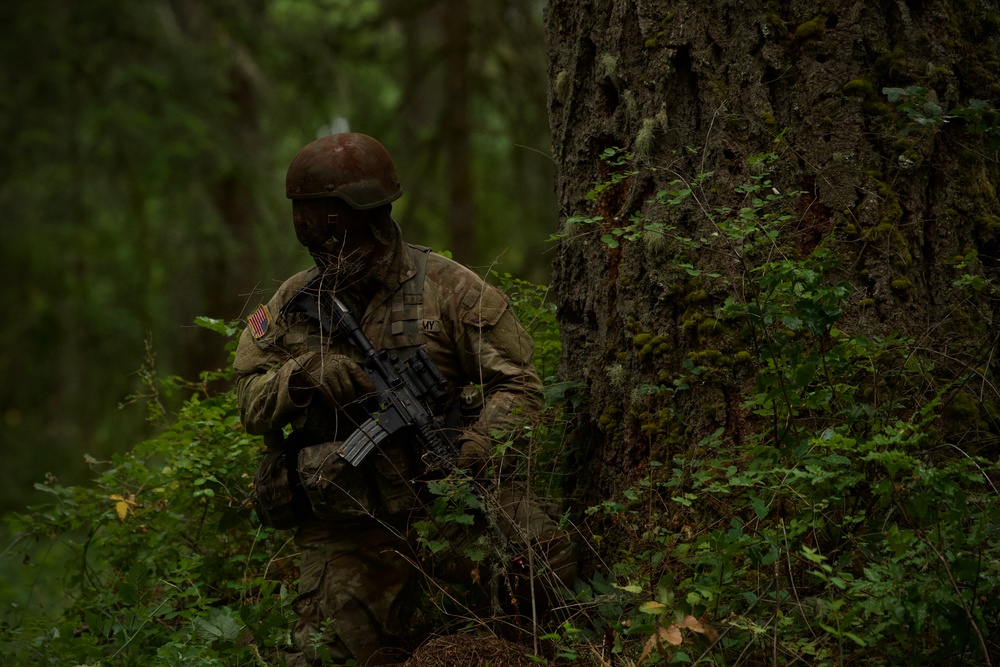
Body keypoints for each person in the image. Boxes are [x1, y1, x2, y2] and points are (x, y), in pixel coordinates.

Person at [233, 133, 577, 666]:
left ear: (370, 218)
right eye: (315, 239)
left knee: (540, 557)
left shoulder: (450, 288)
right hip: (351, 522)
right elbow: (248, 400)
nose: (329, 256)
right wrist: (300, 377)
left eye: (339, 238)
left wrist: (479, 445)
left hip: (455, 500)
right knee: (328, 655)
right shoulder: (291, 304)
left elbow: (519, 385)